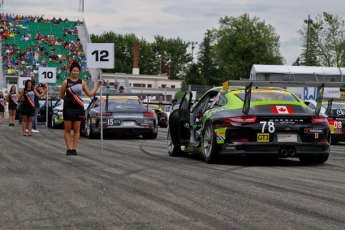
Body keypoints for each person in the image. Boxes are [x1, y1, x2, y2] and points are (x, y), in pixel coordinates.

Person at [59, 61, 102, 156]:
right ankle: (68, 148)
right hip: (68, 108)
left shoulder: (82, 82)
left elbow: (90, 94)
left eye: (77, 71)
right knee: (67, 129)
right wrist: (69, 101)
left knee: (77, 129)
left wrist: (97, 86)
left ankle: (74, 149)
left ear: (79, 72)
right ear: (71, 72)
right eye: (74, 71)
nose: (75, 72)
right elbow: (61, 95)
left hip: (78, 108)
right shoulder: (66, 82)